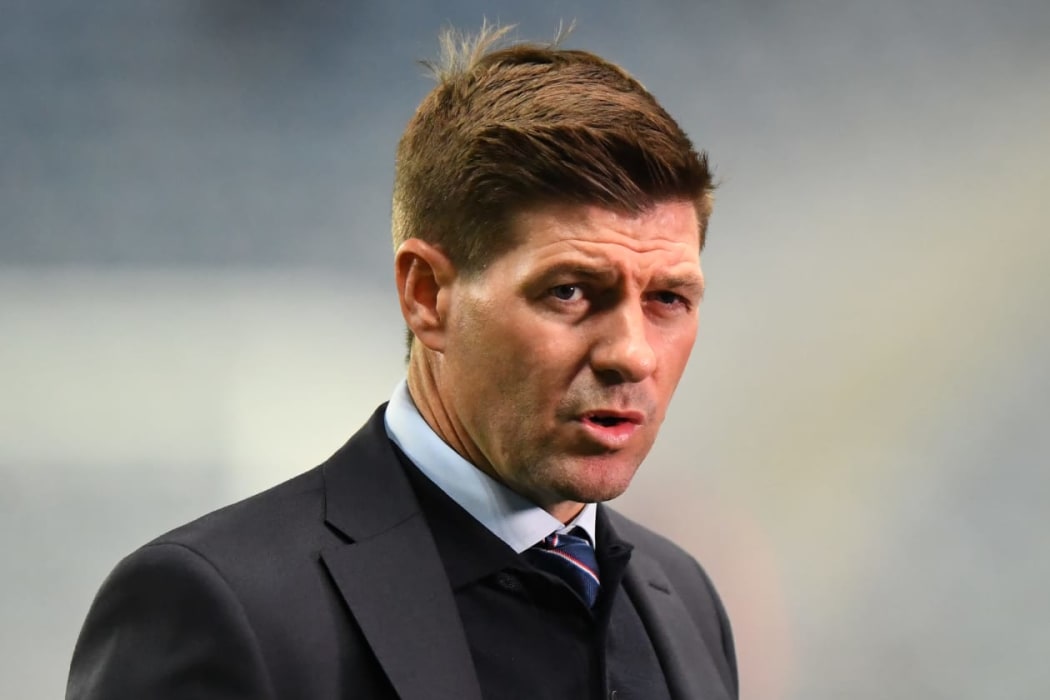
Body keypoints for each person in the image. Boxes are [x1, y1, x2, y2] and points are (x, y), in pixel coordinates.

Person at [67, 25, 738, 700]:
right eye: (569, 291)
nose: (631, 353)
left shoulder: (685, 602)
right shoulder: (218, 604)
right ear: (427, 295)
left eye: (668, 299)